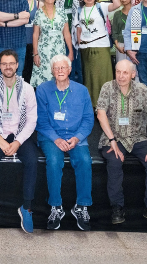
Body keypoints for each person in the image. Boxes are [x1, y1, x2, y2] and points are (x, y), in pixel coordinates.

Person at [96, 60, 147, 226]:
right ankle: (117, 207)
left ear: (133, 74)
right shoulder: (107, 87)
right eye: (118, 72)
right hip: (113, 137)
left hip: (137, 138)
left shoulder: (142, 89)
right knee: (114, 160)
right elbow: (100, 113)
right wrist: (112, 140)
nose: (121, 76)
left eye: (125, 73)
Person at [0, 49, 38, 233]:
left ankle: (26, 207)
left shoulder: (27, 88)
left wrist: (18, 142)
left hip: (21, 133)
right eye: (4, 63)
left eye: (11, 63)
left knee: (32, 161)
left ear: (17, 65)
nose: (8, 67)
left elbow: (32, 120)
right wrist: (0, 140)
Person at [36, 55, 94, 231]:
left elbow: (88, 119)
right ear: (52, 71)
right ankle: (56, 207)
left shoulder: (82, 90)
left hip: (76, 136)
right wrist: (56, 138)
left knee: (84, 161)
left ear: (69, 70)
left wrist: (77, 137)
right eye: (56, 68)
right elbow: (41, 121)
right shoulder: (43, 90)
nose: (60, 70)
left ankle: (82, 206)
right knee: (54, 161)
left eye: (63, 67)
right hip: (51, 136)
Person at [75, 0, 119, 106]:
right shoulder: (79, 10)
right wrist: (80, 43)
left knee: (104, 77)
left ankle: (107, 105)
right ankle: (93, 105)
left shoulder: (101, 6)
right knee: (89, 79)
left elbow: (117, 4)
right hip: (86, 49)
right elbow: (78, 29)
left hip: (101, 47)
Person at [32, 0, 73, 87]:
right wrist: (35, 54)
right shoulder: (39, 13)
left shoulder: (62, 12)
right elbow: (35, 34)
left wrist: (71, 51)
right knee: (43, 80)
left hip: (59, 50)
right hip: (43, 53)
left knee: (59, 76)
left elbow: (67, 33)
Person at [56, 0, 83, 83]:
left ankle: (79, 89)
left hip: (81, 36)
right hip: (64, 36)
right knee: (67, 66)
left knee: (80, 68)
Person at [20, 0, 40, 83]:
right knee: (21, 72)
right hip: (19, 43)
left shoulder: (39, 4)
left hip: (34, 44)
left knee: (32, 73)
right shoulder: (17, 3)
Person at [112, 0, 133, 64]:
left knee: (134, 68)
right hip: (121, 45)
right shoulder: (117, 14)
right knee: (121, 67)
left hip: (134, 44)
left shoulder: (136, 12)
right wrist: (117, 45)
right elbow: (114, 32)